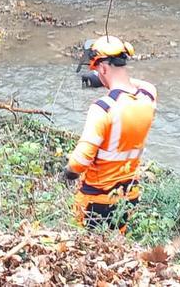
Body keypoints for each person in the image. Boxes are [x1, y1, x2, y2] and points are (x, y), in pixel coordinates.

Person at [64, 35, 157, 232]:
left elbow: (79, 162)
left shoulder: (103, 108)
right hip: (128, 197)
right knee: (116, 242)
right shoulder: (148, 97)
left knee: (84, 246)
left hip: (96, 201)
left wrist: (68, 173)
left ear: (103, 68)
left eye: (98, 70)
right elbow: (142, 85)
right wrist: (108, 77)